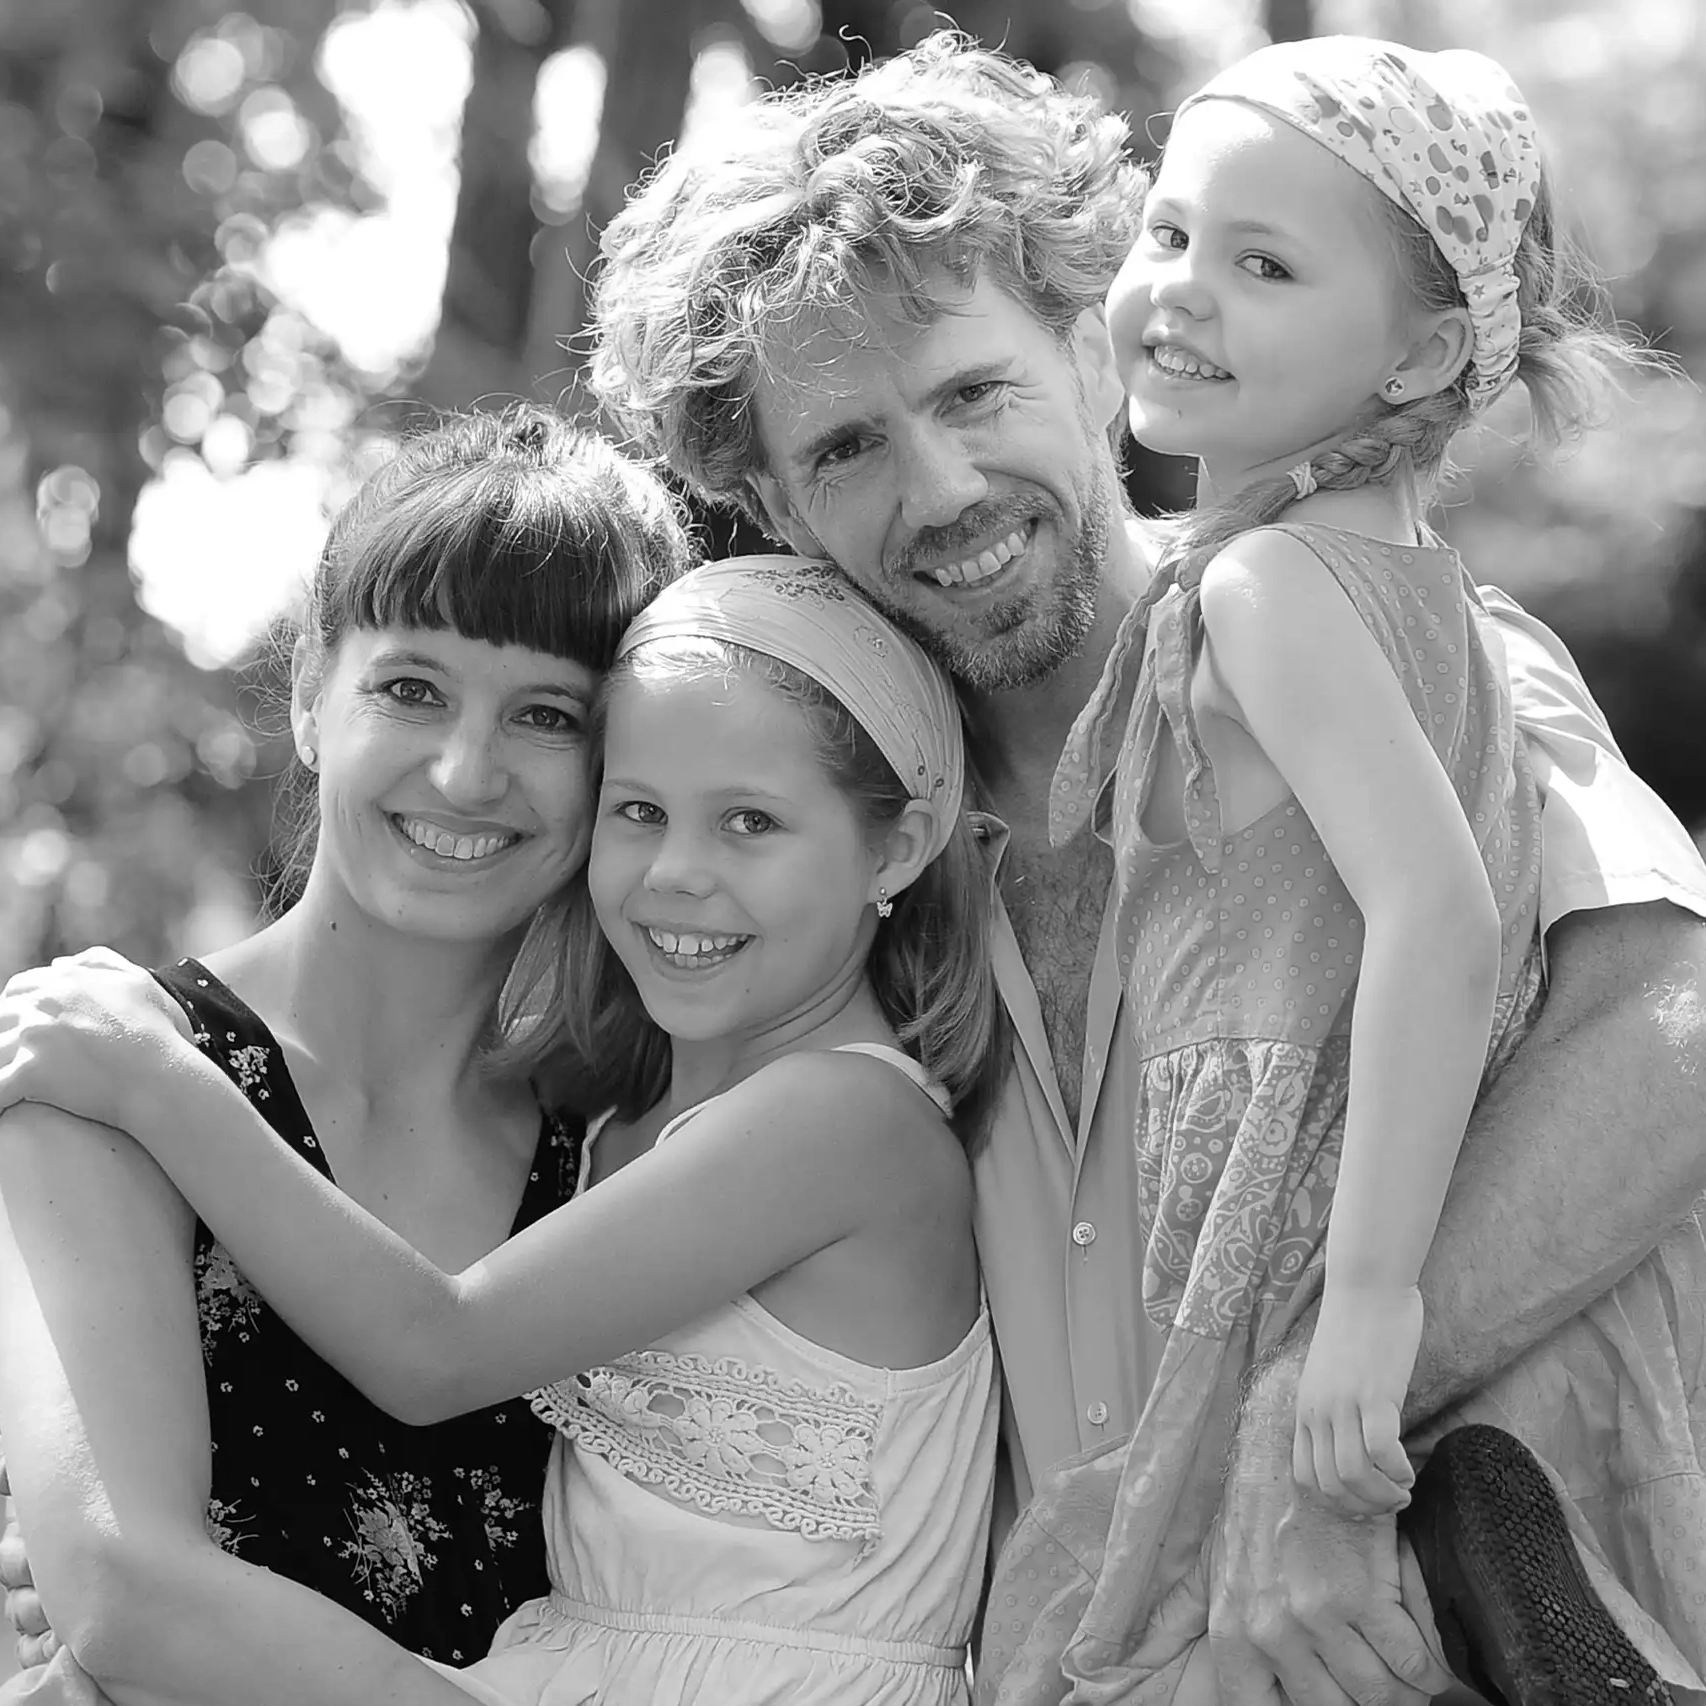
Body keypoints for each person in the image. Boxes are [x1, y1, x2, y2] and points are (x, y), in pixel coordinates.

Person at [582, 28, 1706, 1706]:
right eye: (847, 449)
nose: (943, 489)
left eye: (972, 392)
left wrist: (1305, 1448)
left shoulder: (1385, 637)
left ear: (1090, 342)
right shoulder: (821, 856)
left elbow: (1673, 1039)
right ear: (768, 498)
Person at [0, 556, 1007, 1705]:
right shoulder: (613, 1112)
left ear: (894, 844)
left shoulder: (842, 1120)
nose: (678, 872)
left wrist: (155, 1075)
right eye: (638, 811)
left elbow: (437, 1349)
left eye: (750, 822)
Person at [1025, 33, 1683, 1705]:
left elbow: (1438, 920)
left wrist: (1378, 1302)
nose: (1179, 291)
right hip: (1369, 1134)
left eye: (1261, 264)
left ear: (1422, 357)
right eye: (1170, 234)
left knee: (1132, 1633)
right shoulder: (1421, 581)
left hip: (1280, 1158)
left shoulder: (1265, 589)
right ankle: (1501, 1619)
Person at [0, 404, 688, 1703]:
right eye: (411, 688)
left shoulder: (609, 1138)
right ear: (316, 689)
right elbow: (125, 1590)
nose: (466, 769)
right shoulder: (109, 1068)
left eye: (547, 714)